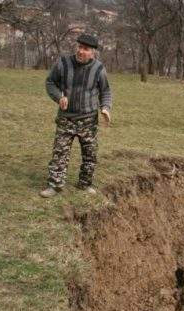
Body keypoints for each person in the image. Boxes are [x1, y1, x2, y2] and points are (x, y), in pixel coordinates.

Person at [39, 33, 112, 198]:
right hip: (66, 118)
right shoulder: (63, 63)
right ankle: (54, 185)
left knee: (90, 154)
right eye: (79, 47)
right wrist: (59, 97)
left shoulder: (99, 69)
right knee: (60, 153)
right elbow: (50, 82)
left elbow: (106, 90)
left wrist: (105, 107)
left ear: (93, 52)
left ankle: (85, 184)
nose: (81, 51)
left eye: (85, 49)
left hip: (89, 120)